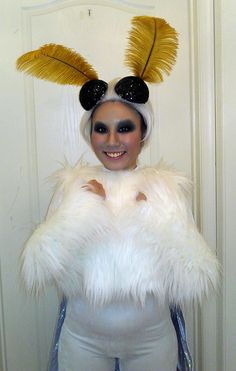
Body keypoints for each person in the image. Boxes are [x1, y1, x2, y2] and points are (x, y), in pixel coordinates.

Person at [17, 16, 219, 371]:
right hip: (82, 339)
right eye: (101, 129)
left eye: (125, 128)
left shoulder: (166, 189)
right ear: (90, 134)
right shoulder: (72, 186)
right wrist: (79, 213)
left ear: (142, 133)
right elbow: (40, 266)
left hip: (152, 342)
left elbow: (195, 275)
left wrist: (151, 217)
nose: (112, 141)